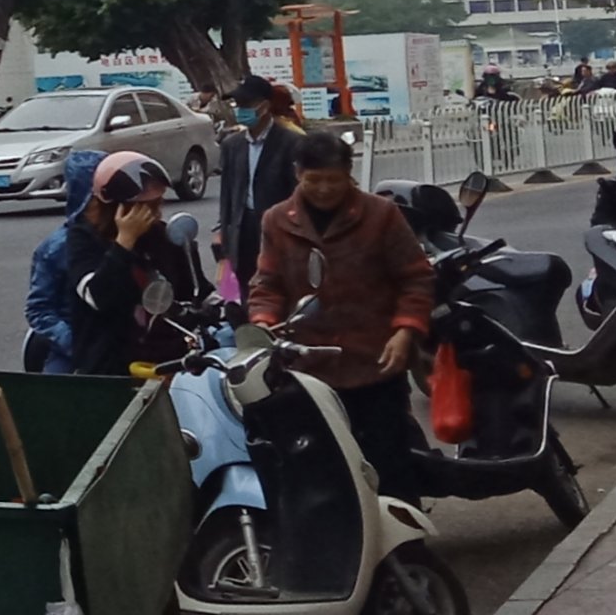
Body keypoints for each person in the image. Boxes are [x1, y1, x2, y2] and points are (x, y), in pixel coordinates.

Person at [248, 128, 434, 504]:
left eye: (333, 180)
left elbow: (416, 278)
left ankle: (405, 536)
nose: (324, 189)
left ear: (349, 173)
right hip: (309, 370)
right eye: (314, 180)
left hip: (375, 363)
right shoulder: (276, 221)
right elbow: (267, 285)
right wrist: (263, 326)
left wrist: (405, 332)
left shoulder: (381, 215)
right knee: (323, 471)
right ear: (298, 173)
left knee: (389, 466)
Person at [60, 151, 199, 377]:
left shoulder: (162, 236)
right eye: (145, 206)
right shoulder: (84, 238)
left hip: (168, 360)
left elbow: (192, 290)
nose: (155, 214)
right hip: (110, 366)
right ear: (118, 208)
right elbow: (99, 297)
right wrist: (125, 241)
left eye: (157, 204)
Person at [216, 73, 299, 299]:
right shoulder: (232, 145)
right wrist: (225, 235)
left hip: (278, 229)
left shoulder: (291, 143)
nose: (240, 110)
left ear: (264, 106)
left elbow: (297, 193)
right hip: (243, 229)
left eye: (246, 104)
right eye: (237, 104)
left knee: (278, 288)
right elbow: (227, 195)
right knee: (247, 291)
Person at [23, 152, 104, 375]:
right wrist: (75, 344)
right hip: (71, 350)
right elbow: (39, 309)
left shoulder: (128, 236)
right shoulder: (56, 248)